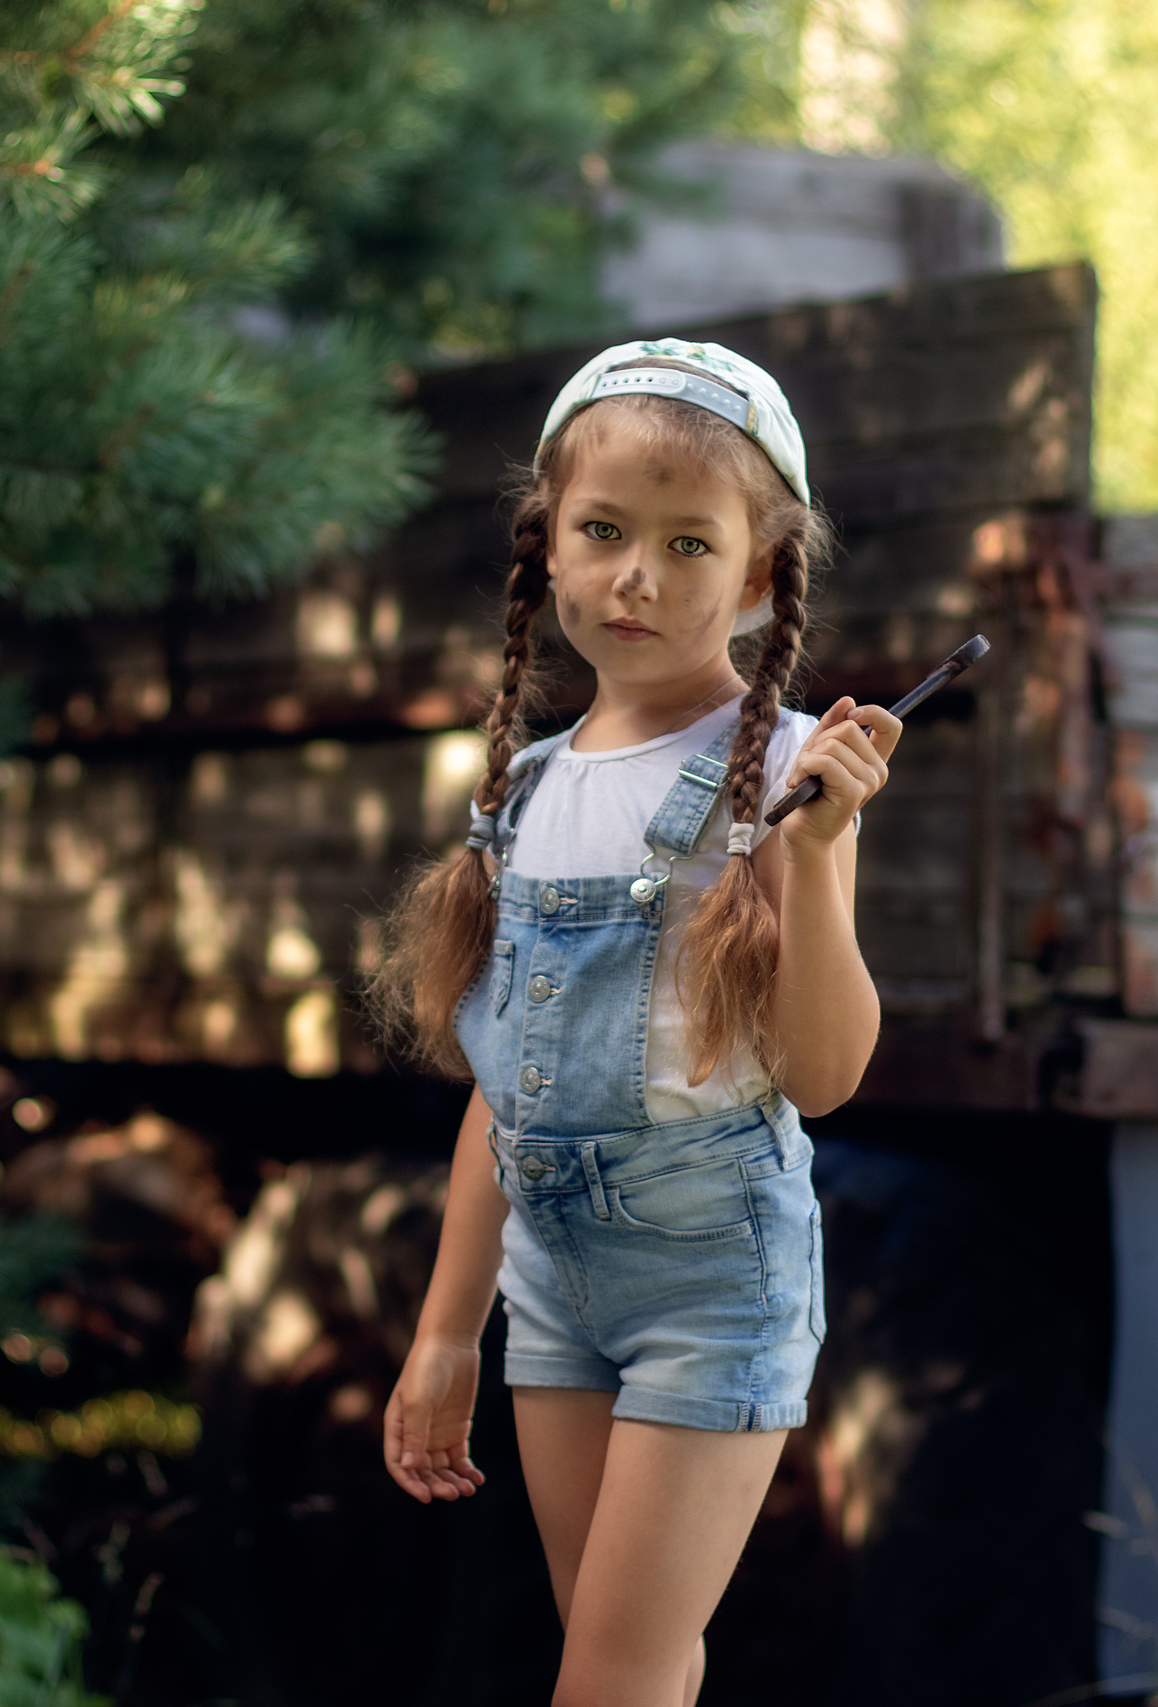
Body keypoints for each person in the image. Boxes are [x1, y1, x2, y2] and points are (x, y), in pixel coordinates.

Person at [369, 339, 900, 1706]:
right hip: (555, 1284)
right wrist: (446, 1332)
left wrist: (821, 856)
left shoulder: (781, 774)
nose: (637, 578)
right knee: (634, 1671)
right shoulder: (527, 791)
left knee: (611, 1680)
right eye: (603, 532)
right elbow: (509, 1090)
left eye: (687, 544)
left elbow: (829, 1077)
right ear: (549, 546)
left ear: (761, 574)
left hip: (711, 1278)